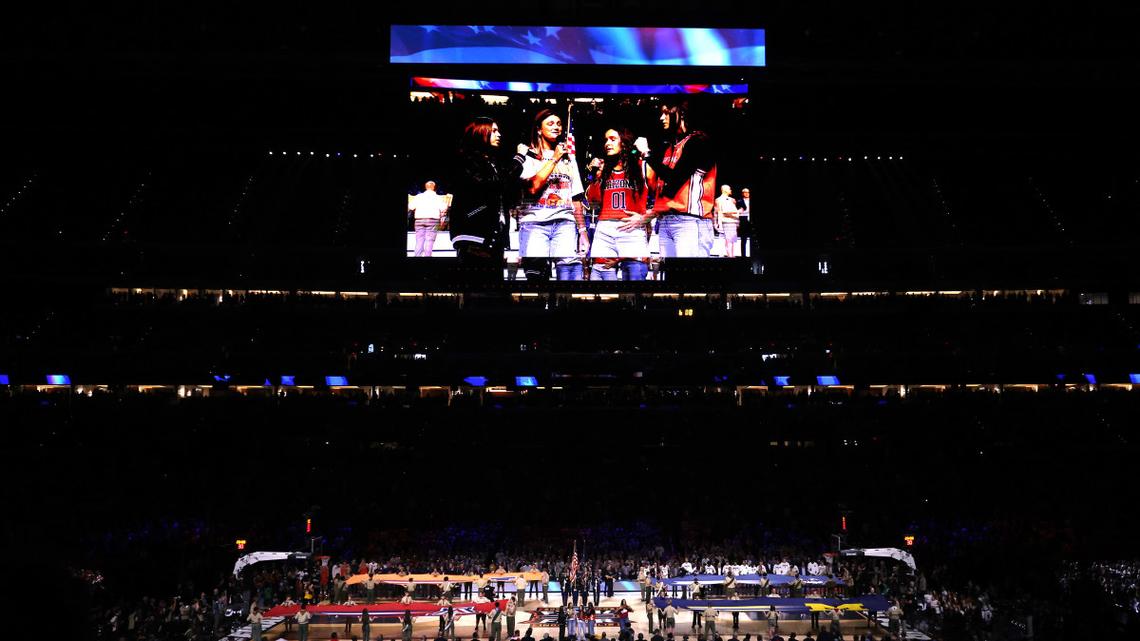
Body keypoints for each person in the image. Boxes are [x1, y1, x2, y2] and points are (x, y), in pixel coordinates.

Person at [634, 100, 717, 258]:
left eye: (666, 113)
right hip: (666, 220)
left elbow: (674, 179)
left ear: (681, 113)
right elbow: (661, 189)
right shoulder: (670, 148)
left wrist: (647, 153)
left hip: (690, 221)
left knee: (688, 272)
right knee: (669, 272)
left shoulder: (698, 141)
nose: (661, 118)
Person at [516, 108, 589, 280]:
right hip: (535, 224)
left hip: (565, 224)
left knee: (570, 275)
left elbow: (575, 197)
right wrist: (554, 158)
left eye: (559, 124)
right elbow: (533, 187)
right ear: (539, 130)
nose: (556, 127)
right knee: (537, 278)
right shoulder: (528, 156)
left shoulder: (569, 158)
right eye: (550, 124)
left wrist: (583, 231)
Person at [449, 117, 527, 269]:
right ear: (480, 133)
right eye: (494, 131)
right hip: (474, 235)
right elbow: (494, 185)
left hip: (492, 236)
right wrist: (518, 158)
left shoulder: (491, 162)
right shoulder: (468, 160)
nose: (499, 135)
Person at [585, 127, 652, 280]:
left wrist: (646, 217)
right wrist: (594, 175)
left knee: (634, 279)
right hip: (604, 230)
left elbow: (662, 194)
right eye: (606, 140)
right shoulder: (604, 170)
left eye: (612, 139)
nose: (607, 143)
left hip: (631, 229)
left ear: (624, 142)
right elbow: (593, 199)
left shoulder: (641, 165)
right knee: (599, 281)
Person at [409, 181, 449, 256]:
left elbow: (411, 207)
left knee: (419, 240)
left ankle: (417, 258)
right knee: (429, 241)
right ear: (434, 187)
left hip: (419, 221)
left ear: (425, 187)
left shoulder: (419, 196)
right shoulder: (438, 197)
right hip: (433, 221)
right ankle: (427, 259)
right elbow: (444, 208)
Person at [714, 185, 739, 257]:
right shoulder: (718, 200)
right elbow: (716, 212)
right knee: (727, 240)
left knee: (732, 240)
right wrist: (715, 223)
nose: (731, 190)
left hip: (732, 221)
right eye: (729, 189)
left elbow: (735, 211)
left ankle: (732, 256)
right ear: (725, 190)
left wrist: (737, 221)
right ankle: (729, 256)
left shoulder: (732, 200)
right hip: (724, 222)